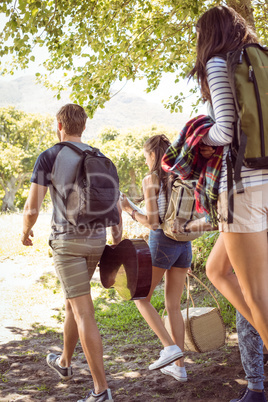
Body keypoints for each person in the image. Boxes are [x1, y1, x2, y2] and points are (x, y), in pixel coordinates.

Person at [189, 5, 268, 401]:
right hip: (267, 181)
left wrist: (199, 140)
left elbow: (225, 128)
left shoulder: (219, 62)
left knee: (256, 296)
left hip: (243, 188)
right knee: (217, 268)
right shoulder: (264, 57)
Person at [21, 103, 122, 402]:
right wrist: (116, 236)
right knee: (72, 303)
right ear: (83, 127)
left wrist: (25, 231)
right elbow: (114, 199)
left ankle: (101, 391)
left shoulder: (50, 156)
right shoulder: (100, 156)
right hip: (97, 240)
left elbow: (32, 206)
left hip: (68, 242)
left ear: (59, 126)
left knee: (83, 311)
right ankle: (64, 362)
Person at [121, 134, 189, 382]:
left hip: (162, 244)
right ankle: (180, 367)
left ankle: (169, 347)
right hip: (184, 244)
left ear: (151, 155)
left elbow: (153, 223)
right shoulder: (180, 176)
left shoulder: (151, 179)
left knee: (140, 296)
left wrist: (128, 210)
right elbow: (162, 215)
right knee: (173, 306)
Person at [206, 237, 266, 402]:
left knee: (248, 300)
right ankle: (255, 389)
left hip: (250, 226)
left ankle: (255, 389)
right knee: (248, 302)